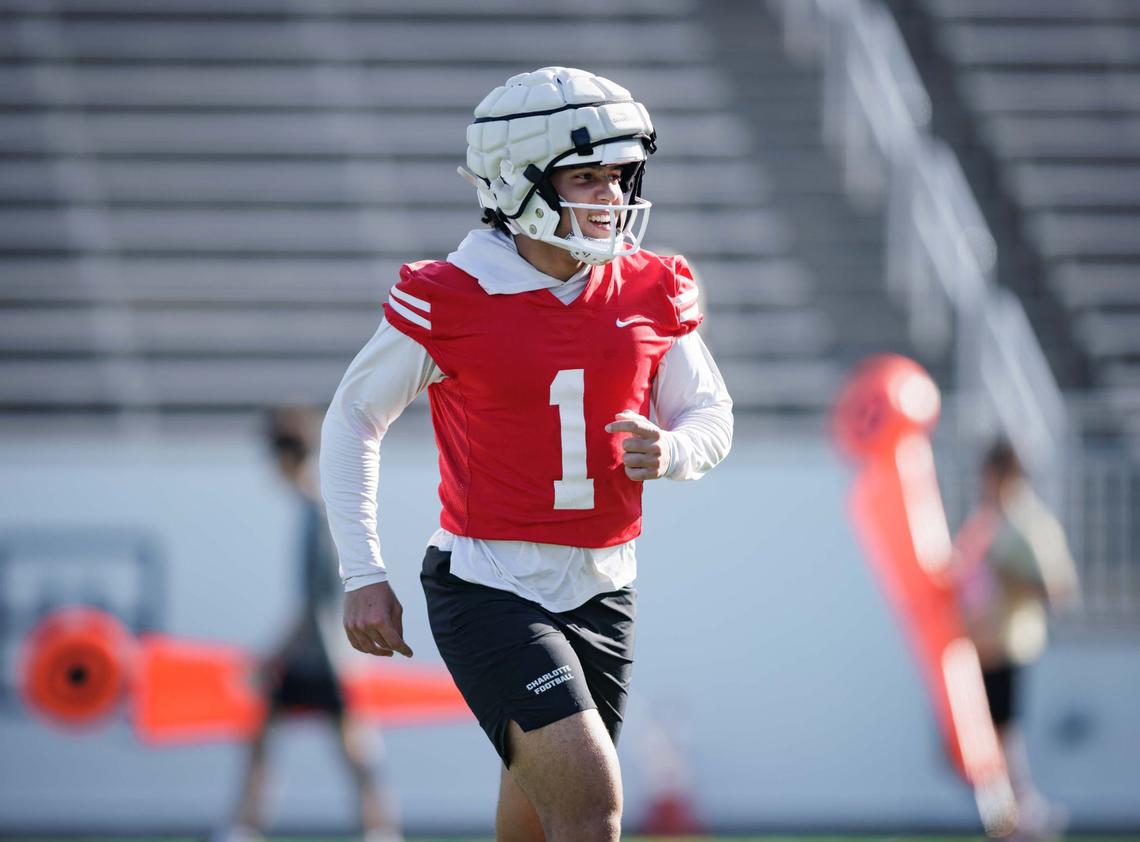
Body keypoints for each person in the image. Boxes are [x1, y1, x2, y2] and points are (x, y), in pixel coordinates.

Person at [320, 66, 733, 842]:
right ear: (517, 183)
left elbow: (709, 412)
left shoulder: (650, 285)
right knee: (589, 807)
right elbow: (352, 420)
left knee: (539, 822)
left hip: (606, 587)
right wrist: (362, 571)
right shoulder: (451, 294)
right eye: (586, 176)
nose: (611, 197)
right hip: (490, 586)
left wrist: (672, 450)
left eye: (617, 176)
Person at [214, 408, 403, 842]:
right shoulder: (316, 506)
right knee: (288, 741)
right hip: (323, 653)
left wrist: (273, 654)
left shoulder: (316, 511)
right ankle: (250, 827)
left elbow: (313, 603)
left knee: (349, 746)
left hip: (320, 656)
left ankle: (379, 830)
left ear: (283, 457)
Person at [952, 439, 1079, 840]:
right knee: (984, 740)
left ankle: (1024, 816)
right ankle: (1008, 818)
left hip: (1007, 646)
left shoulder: (1030, 523)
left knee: (1002, 738)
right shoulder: (987, 520)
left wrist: (1007, 575)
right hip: (978, 646)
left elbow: (1057, 589)